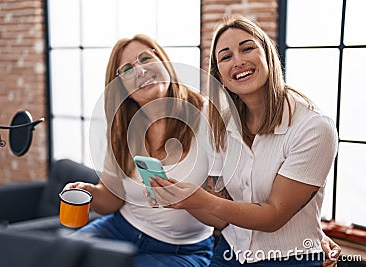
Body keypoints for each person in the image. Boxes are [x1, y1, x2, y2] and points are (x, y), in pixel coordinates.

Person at [149, 15, 340, 266]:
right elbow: (220, 217)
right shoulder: (219, 125)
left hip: (290, 258)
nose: (238, 61)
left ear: (267, 54)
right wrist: (181, 199)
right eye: (225, 57)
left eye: (247, 48)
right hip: (230, 254)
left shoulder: (313, 127)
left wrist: (200, 199)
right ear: (220, 74)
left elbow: (273, 216)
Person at [62, 34, 218, 267]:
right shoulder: (122, 127)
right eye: (127, 69)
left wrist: (187, 199)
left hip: (182, 249)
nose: (141, 71)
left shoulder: (208, 115)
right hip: (119, 229)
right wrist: (89, 192)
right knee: (58, 255)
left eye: (146, 58)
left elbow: (223, 216)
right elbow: (112, 199)